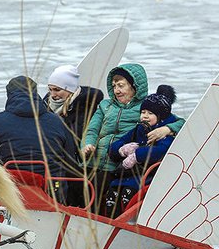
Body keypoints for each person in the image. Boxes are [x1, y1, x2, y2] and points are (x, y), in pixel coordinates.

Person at [81, 63, 184, 213]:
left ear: (134, 86)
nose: (116, 90)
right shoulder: (106, 105)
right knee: (79, 186)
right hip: (97, 159)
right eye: (114, 85)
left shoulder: (146, 107)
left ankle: (102, 225)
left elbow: (180, 122)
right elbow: (93, 129)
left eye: (121, 85)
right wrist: (88, 144)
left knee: (105, 193)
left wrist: (167, 129)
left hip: (118, 166)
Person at [0, 76, 77, 202]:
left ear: (9, 94)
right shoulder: (57, 121)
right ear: (35, 92)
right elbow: (71, 161)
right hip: (53, 191)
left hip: (11, 188)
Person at [101, 85, 181, 217]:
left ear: (161, 116)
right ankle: (110, 219)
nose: (145, 116)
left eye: (150, 113)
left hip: (147, 175)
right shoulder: (140, 129)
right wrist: (121, 149)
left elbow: (161, 149)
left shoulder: (164, 133)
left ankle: (126, 221)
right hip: (130, 173)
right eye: (143, 112)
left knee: (128, 192)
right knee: (113, 191)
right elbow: (117, 145)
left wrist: (137, 154)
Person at [43, 64, 105, 206]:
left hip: (74, 164)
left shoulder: (87, 109)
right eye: (50, 89)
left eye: (57, 90)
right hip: (51, 163)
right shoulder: (45, 106)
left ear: (69, 89)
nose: (53, 95)